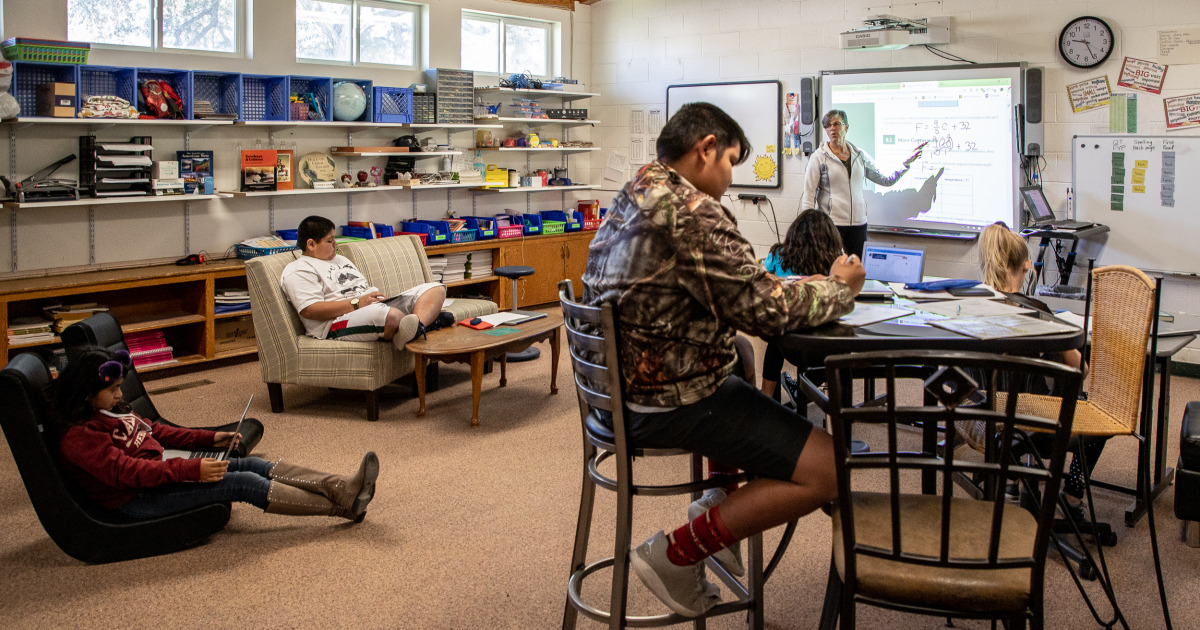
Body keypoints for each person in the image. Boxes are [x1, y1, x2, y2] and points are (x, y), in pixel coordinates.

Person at [583, 102, 865, 617]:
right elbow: (769, 315)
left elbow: (739, 289)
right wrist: (839, 289)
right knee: (831, 467)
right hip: (665, 401)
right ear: (706, 148)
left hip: (617, 394)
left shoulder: (637, 190)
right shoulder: (693, 212)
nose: (731, 178)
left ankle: (720, 497)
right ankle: (676, 552)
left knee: (737, 354)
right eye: (731, 161)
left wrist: (785, 286)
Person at [52, 347, 379, 522]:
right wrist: (189, 469)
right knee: (244, 482)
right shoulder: (81, 436)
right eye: (113, 390)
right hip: (137, 500)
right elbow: (127, 474)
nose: (120, 395)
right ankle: (341, 507)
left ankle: (340, 487)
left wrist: (210, 440)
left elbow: (158, 432)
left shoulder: (113, 409)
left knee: (251, 464)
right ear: (85, 393)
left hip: (161, 475)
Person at [978, 221, 1099, 522]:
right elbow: (1080, 369)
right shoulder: (1036, 311)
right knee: (1096, 417)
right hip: (1034, 424)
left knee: (1012, 390)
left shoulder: (972, 304)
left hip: (985, 414)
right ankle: (1072, 495)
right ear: (1027, 265)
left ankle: (1010, 477)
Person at [281, 215, 452, 349]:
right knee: (390, 316)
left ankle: (416, 327)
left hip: (373, 306)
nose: (336, 244)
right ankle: (418, 327)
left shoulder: (340, 259)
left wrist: (370, 300)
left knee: (435, 289)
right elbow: (310, 310)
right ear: (311, 244)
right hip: (335, 322)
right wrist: (357, 303)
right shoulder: (299, 269)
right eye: (329, 240)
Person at [802, 109, 926, 258]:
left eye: (836, 124)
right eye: (828, 126)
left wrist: (905, 164)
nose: (832, 129)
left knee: (857, 269)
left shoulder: (859, 155)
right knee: (831, 269)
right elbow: (809, 195)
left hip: (858, 224)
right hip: (831, 224)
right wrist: (807, 226)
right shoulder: (818, 158)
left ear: (846, 127)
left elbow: (885, 180)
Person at [760, 209, 845, 399]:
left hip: (789, 343)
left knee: (775, 339)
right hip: (824, 348)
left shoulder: (777, 254)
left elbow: (760, 280)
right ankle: (804, 393)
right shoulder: (836, 262)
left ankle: (766, 398)